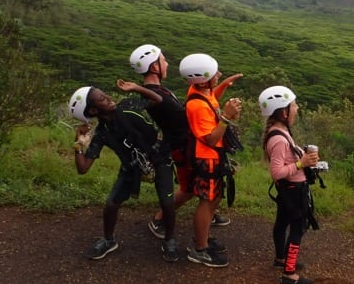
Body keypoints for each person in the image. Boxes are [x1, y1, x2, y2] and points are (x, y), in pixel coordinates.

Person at [124, 44, 231, 241]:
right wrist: (138, 87)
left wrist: (220, 85)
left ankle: (209, 213)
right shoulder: (151, 93)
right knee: (189, 188)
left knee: (196, 186)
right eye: (163, 60)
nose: (167, 63)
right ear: (154, 67)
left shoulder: (156, 89)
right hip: (181, 147)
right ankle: (159, 220)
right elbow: (159, 101)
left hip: (184, 144)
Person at [68, 82, 178, 262]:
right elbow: (83, 168)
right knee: (111, 204)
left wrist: (136, 88)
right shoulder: (102, 133)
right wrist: (78, 143)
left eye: (105, 95)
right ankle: (108, 240)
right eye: (102, 99)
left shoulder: (128, 106)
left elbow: (157, 99)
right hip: (132, 167)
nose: (109, 98)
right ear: (94, 111)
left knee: (167, 203)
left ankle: (170, 239)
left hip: (158, 158)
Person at [179, 53, 242, 268]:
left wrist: (223, 85)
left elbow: (211, 98)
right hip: (207, 157)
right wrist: (226, 116)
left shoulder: (200, 90)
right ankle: (200, 249)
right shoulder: (197, 106)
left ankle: (202, 239)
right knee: (207, 202)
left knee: (214, 199)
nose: (219, 74)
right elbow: (211, 138)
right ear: (204, 78)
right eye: (216, 73)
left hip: (214, 156)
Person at [259, 85, 318, 284]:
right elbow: (276, 172)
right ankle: (289, 274)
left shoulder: (280, 132)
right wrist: (302, 164)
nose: (297, 108)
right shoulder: (279, 139)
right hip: (294, 192)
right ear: (284, 112)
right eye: (293, 105)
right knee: (297, 228)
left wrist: (306, 160)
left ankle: (281, 259)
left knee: (282, 222)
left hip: (287, 191)